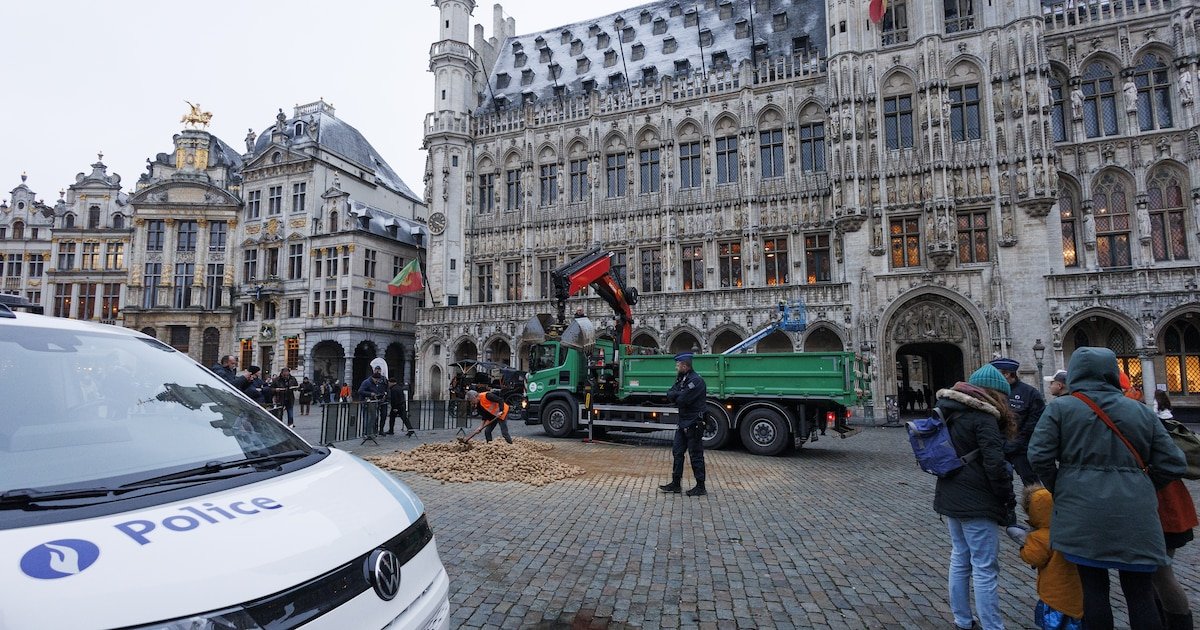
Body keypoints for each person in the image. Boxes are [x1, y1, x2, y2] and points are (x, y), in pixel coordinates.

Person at [1028, 347, 1187, 630]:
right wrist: (1142, 485)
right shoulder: (1138, 409)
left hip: (1081, 511)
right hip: (1135, 513)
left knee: (1093, 590)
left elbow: (1038, 455)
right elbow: (1174, 462)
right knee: (1140, 594)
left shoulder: (1061, 408)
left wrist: (1060, 486)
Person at [933, 363, 1017, 630]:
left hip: (950, 491)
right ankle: (993, 626)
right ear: (994, 394)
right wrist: (1007, 498)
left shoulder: (947, 410)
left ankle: (962, 620)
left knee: (960, 557)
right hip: (977, 499)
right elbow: (995, 464)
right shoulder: (983, 417)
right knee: (984, 566)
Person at [1150, 390, 1197, 630]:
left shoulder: (1141, 417)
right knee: (1156, 574)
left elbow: (1172, 463)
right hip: (1164, 505)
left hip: (1163, 506)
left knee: (1161, 572)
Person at [1014, 484, 1084, 630]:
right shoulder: (1070, 529)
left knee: (1053, 623)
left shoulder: (1040, 536)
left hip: (1054, 594)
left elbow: (1033, 557)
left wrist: (1023, 547)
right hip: (1077, 592)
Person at [990, 357, 1046, 486]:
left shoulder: (1030, 393)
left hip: (1021, 449)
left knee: (1032, 484)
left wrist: (1016, 443)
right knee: (997, 483)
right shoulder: (992, 392)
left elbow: (1034, 422)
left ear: (1007, 374)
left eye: (996, 373)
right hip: (997, 448)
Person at [659, 352, 708, 497]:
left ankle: (700, 486)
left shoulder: (696, 381)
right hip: (683, 423)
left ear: (684, 365)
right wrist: (677, 394)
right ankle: (675, 484)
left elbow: (682, 400)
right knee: (677, 452)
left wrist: (677, 395)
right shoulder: (683, 379)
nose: (676, 367)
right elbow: (670, 393)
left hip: (694, 423)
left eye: (678, 365)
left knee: (695, 454)